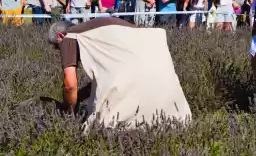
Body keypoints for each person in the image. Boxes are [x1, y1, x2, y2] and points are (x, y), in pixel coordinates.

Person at [47, 18, 192, 131]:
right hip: (161, 71)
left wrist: (68, 112)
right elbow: (114, 73)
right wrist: (81, 96)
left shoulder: (69, 36)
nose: (60, 51)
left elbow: (69, 85)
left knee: (103, 127)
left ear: (60, 35)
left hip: (131, 82)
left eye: (57, 47)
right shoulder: (100, 32)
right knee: (164, 121)